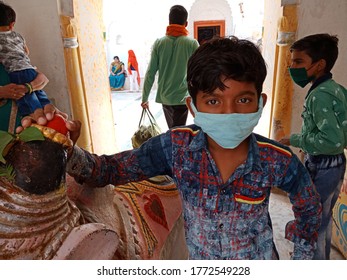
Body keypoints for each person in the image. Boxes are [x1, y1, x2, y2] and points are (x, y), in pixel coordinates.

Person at [61, 37, 321, 260]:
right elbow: (109, 170)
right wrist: (67, 148)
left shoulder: (276, 159)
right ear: (192, 107)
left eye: (243, 99)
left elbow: (308, 204)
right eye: (213, 100)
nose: (228, 112)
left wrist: (302, 256)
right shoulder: (176, 148)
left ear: (259, 103)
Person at [279, 33, 347, 260]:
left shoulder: (319, 96)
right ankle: (319, 260)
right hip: (332, 163)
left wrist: (295, 140)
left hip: (324, 165)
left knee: (310, 219)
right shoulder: (335, 88)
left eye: (298, 62)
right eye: (292, 62)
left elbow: (332, 140)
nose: (292, 67)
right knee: (322, 218)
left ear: (320, 65)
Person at [141, 5, 199, 129]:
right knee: (178, 131)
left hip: (165, 98)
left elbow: (150, 72)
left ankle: (173, 145)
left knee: (173, 130)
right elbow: (200, 72)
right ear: (186, 23)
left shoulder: (159, 43)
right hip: (183, 98)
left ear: (169, 21)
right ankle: (175, 146)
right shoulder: (192, 44)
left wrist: (144, 98)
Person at [0, 1, 51, 118]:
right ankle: (44, 114)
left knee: (30, 104)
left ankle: (37, 116)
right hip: (27, 68)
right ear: (12, 24)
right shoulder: (18, 36)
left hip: (16, 73)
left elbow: (43, 79)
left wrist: (28, 87)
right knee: (41, 100)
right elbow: (26, 52)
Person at [0, 64, 51, 133]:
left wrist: (28, 87)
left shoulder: (11, 58)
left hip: (26, 117)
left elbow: (43, 79)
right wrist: (2, 92)